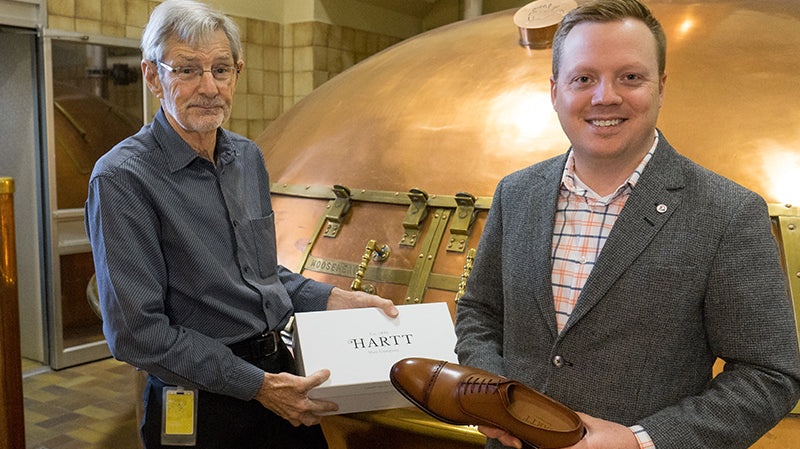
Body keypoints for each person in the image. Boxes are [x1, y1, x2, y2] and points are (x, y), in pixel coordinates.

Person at [454, 1, 800, 448]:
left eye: (630, 77)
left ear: (661, 87)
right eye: (584, 78)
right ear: (555, 91)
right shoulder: (516, 192)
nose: (606, 97)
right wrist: (491, 396)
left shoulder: (728, 213)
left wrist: (641, 441)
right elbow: (480, 311)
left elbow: (768, 375)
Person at [84, 1, 398, 447]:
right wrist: (256, 386)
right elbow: (137, 335)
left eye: (221, 69)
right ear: (153, 76)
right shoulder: (122, 178)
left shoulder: (247, 157)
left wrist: (334, 299)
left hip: (278, 374)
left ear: (238, 73)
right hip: (201, 397)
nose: (208, 87)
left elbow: (257, 275)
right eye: (187, 70)